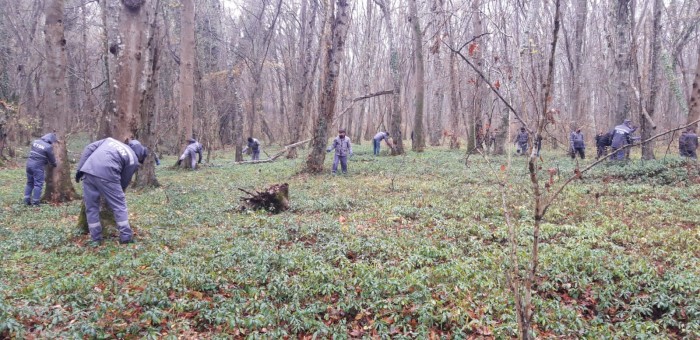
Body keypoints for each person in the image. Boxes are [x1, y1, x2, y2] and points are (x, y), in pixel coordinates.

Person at [75, 138, 148, 245]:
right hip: (108, 174)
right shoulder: (133, 159)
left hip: (88, 171)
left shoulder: (109, 140)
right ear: (140, 154)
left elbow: (89, 148)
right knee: (119, 206)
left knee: (91, 207)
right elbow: (124, 181)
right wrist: (116, 195)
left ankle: (96, 238)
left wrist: (79, 169)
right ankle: (126, 237)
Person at [23, 132, 57, 206]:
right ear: (51, 140)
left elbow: (37, 153)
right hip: (37, 166)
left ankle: (26, 200)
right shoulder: (48, 147)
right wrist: (54, 164)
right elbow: (52, 159)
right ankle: (35, 202)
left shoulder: (35, 142)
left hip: (29, 164)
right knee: (38, 184)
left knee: (29, 183)